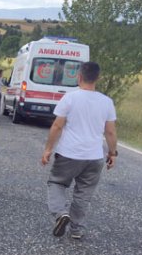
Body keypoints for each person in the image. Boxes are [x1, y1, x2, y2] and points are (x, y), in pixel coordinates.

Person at [41, 61, 118, 240]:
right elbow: (110, 131)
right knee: (83, 193)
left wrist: (48, 149)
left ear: (79, 76)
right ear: (98, 78)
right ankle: (76, 229)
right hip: (94, 157)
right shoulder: (107, 102)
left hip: (69, 153)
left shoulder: (70, 98)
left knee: (57, 184)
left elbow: (57, 126)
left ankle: (61, 213)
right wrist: (112, 153)